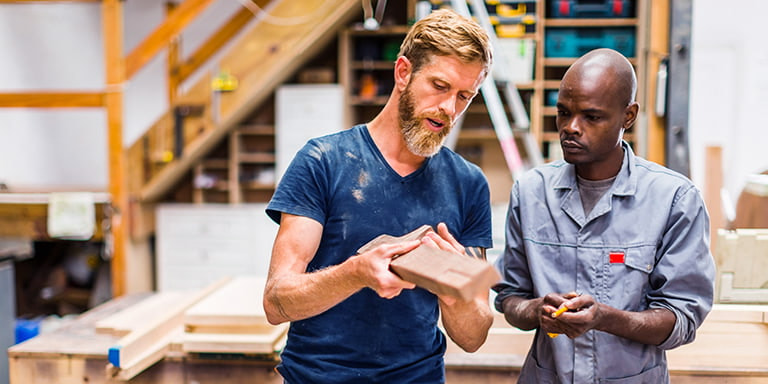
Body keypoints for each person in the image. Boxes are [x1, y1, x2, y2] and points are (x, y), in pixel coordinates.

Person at [263, 9, 495, 383]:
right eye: (439, 86)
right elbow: (276, 301)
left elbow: (474, 336)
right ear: (403, 72)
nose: (449, 109)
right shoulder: (323, 161)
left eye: (464, 96)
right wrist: (354, 273)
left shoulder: (468, 183)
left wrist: (456, 294)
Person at [493, 48, 715, 383]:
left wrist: (605, 318)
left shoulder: (674, 199)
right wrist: (536, 310)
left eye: (591, 117)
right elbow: (510, 297)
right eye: (563, 113)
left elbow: (681, 319)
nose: (571, 128)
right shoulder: (530, 192)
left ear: (628, 116)